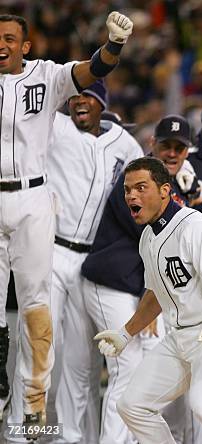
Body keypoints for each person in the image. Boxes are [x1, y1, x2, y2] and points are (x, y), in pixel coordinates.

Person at [0, 11, 133, 435]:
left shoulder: (47, 75)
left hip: (32, 197)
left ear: (25, 45)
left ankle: (32, 417)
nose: (0, 44)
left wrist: (112, 45)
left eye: (9, 38)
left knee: (37, 315)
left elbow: (93, 69)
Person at [94, 157, 202, 444]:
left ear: (164, 190)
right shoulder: (147, 237)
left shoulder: (194, 226)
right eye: (127, 190)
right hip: (179, 338)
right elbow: (155, 294)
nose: (132, 195)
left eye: (141, 187)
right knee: (132, 405)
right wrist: (125, 333)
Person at [57, 116, 195, 444]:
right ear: (153, 146)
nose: (172, 153)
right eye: (166, 146)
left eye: (179, 147)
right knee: (125, 368)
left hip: (133, 289)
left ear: (188, 151)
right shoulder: (135, 184)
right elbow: (160, 239)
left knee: (143, 369)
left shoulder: (171, 188)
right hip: (109, 286)